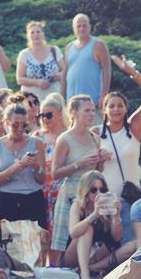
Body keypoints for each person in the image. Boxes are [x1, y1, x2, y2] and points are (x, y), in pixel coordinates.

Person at [94, 56, 141, 243]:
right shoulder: (96, 133)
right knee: (107, 247)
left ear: (126, 108)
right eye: (111, 106)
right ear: (104, 110)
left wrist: (132, 72)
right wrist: (98, 159)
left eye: (120, 105)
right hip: (106, 201)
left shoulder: (133, 128)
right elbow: (93, 172)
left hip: (132, 199)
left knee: (132, 245)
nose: (116, 109)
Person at [50, 95, 110, 259]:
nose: (91, 114)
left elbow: (98, 170)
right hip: (70, 192)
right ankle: (59, 267)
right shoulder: (65, 139)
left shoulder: (95, 138)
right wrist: (78, 164)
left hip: (89, 194)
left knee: (89, 230)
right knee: (63, 237)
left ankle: (84, 264)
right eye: (87, 110)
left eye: (93, 110)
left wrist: (102, 160)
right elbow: (55, 173)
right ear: (74, 112)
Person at [0, 103, 47, 227]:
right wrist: (18, 166)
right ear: (6, 122)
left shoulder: (37, 143)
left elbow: (42, 180)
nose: (20, 129)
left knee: (33, 244)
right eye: (15, 125)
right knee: (6, 244)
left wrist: (36, 166)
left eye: (24, 125)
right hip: (6, 200)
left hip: (32, 199)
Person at [62, 171, 121, 279]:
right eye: (94, 190)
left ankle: (91, 268)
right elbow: (73, 232)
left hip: (97, 256)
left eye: (102, 190)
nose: (98, 193)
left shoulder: (109, 205)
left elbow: (117, 238)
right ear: (85, 192)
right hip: (73, 256)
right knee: (87, 229)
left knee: (131, 246)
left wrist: (116, 217)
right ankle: (85, 275)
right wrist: (94, 215)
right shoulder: (78, 206)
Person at [36, 93, 68, 265]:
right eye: (41, 115)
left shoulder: (68, 135)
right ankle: (43, 263)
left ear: (59, 113)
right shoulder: (37, 136)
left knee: (58, 226)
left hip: (60, 187)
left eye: (49, 115)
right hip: (41, 187)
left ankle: (56, 264)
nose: (45, 119)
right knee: (43, 227)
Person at [61, 14, 111, 104]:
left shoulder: (98, 45)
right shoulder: (69, 47)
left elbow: (107, 71)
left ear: (89, 27)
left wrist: (104, 95)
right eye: (78, 26)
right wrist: (61, 96)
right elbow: (65, 73)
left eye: (84, 26)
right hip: (71, 102)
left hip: (92, 101)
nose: (81, 28)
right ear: (74, 28)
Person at [16, 21, 64, 103]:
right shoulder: (24, 54)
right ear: (28, 36)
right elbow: (19, 79)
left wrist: (58, 76)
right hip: (32, 101)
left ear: (43, 34)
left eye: (38, 31)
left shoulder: (55, 51)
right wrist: (37, 82)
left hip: (53, 99)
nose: (35, 34)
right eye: (32, 32)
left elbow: (65, 72)